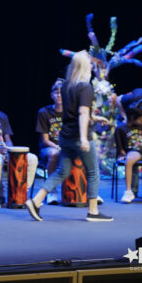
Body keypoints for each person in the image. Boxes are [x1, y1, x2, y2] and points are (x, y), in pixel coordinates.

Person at [26, 50, 113, 222]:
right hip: (79, 136)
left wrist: (95, 117)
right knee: (93, 173)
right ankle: (93, 212)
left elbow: (72, 111)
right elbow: (81, 113)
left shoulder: (66, 85)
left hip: (65, 136)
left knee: (61, 171)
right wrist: (83, 138)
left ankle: (35, 200)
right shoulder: (85, 87)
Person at [35, 78, 64, 204]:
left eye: (62, 93)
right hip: (48, 148)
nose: (59, 95)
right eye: (56, 93)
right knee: (54, 154)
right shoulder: (44, 112)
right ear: (52, 95)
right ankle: (52, 191)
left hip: (66, 147)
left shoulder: (70, 113)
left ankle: (87, 192)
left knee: (85, 151)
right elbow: (45, 140)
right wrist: (58, 147)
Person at [115, 101, 142, 203]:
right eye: (140, 119)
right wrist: (122, 155)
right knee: (130, 159)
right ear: (131, 118)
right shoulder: (121, 128)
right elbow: (120, 148)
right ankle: (128, 191)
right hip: (135, 151)